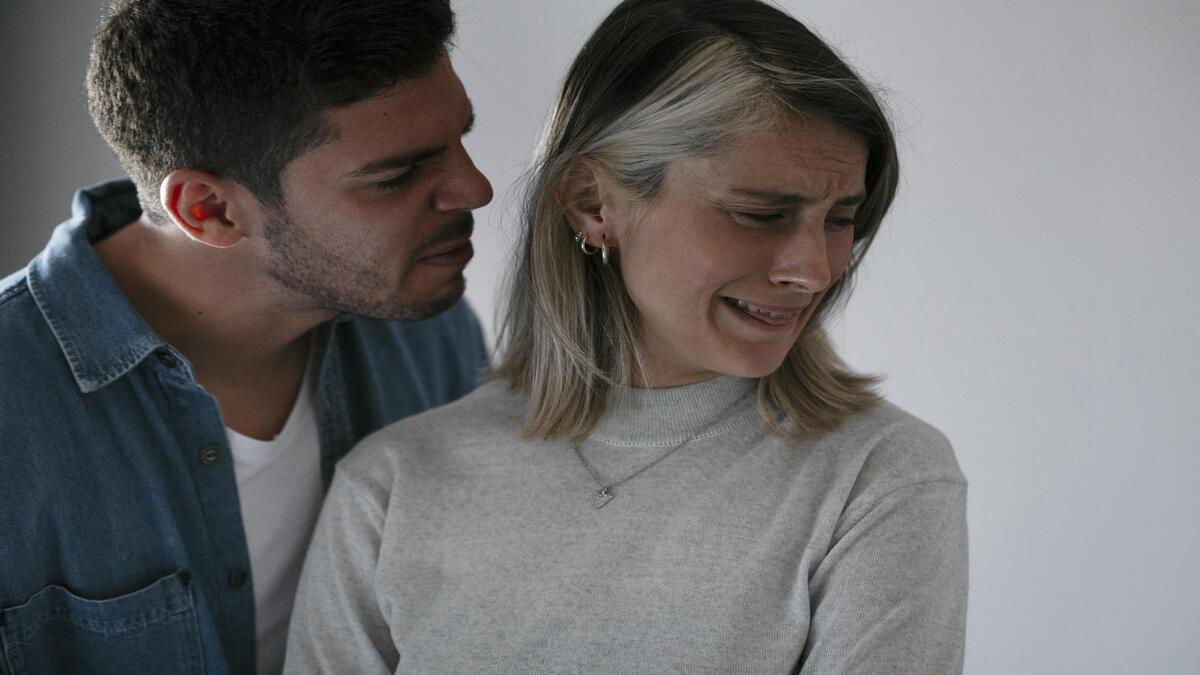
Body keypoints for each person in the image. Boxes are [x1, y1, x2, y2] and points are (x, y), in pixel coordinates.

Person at [286, 0, 968, 672]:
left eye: (840, 219)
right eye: (760, 214)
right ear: (592, 204)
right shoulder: (392, 484)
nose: (812, 270)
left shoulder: (877, 477)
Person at [0, 0, 493, 673]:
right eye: (396, 175)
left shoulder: (426, 332)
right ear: (208, 209)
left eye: (462, 137)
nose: (475, 188)